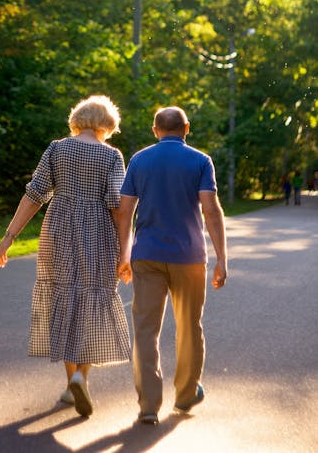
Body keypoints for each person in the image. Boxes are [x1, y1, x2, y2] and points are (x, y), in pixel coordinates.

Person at [0, 95, 131, 417]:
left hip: (58, 229)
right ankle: (82, 376)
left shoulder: (57, 148)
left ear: (78, 119)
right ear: (107, 124)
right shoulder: (111, 156)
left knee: (63, 298)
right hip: (98, 232)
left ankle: (72, 382)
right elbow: (117, 207)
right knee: (94, 300)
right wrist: (126, 251)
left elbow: (34, 194)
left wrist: (9, 236)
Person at [115, 106, 227, 425]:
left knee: (145, 329)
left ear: (155, 130)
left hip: (146, 255)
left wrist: (123, 256)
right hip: (189, 257)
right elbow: (211, 210)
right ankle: (186, 394)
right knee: (189, 326)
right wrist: (221, 258)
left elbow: (124, 212)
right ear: (186, 128)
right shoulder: (200, 161)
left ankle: (148, 405)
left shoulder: (139, 160)